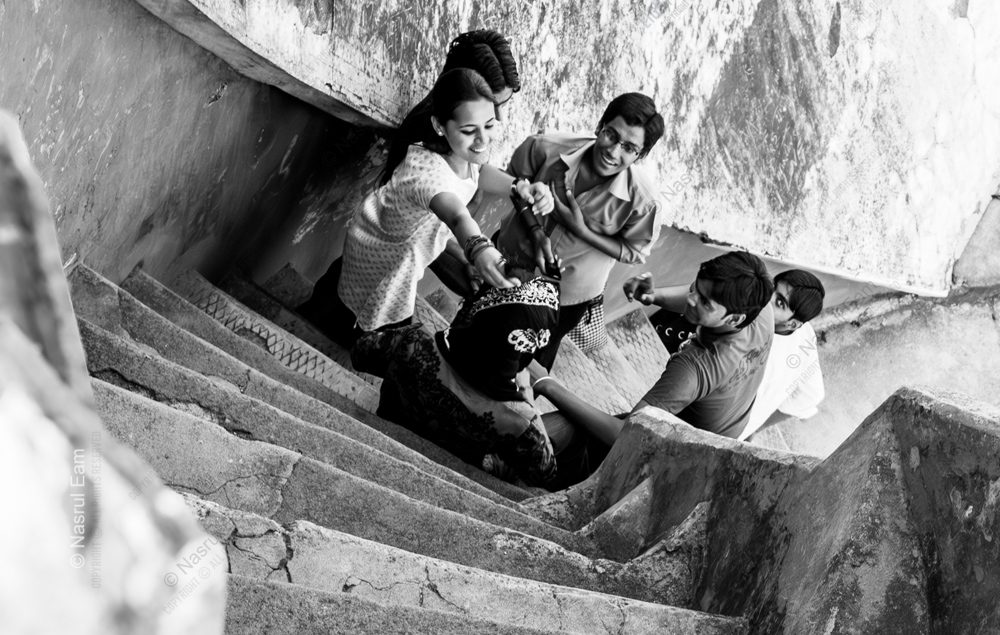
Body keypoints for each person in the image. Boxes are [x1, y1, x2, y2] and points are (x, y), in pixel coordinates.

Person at [299, 30, 523, 334]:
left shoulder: (466, 134)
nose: (499, 119)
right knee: (340, 315)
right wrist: (475, 251)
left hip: (398, 254)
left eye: (503, 105)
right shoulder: (427, 148)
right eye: (493, 105)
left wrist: (516, 187)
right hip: (382, 258)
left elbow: (473, 181)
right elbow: (442, 215)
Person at [532, 251, 775, 453]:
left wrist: (545, 383)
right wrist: (653, 296)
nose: (691, 299)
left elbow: (623, 436)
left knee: (544, 432)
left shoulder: (693, 370)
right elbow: (700, 299)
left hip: (677, 455)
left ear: (734, 318)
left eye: (705, 303)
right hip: (726, 433)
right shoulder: (760, 310)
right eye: (695, 288)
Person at [494, 93, 664, 369]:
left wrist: (581, 230)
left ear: (640, 155)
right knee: (476, 335)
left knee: (528, 366)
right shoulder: (545, 147)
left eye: (629, 148)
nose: (613, 151)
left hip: (565, 299)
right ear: (600, 126)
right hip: (506, 263)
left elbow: (633, 252)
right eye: (611, 135)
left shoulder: (643, 203)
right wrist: (536, 230)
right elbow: (511, 184)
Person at [350, 270, 564, 488]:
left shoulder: (413, 342)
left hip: (378, 432)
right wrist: (527, 396)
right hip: (438, 478)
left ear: (482, 310)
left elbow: (360, 354)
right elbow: (545, 474)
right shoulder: (521, 420)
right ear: (528, 348)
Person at [740, 269, 826, 441]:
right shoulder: (805, 334)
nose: (767, 300)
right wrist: (755, 428)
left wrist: (754, 426)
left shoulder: (749, 335)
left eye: (779, 303)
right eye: (772, 289)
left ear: (792, 323)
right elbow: (811, 395)